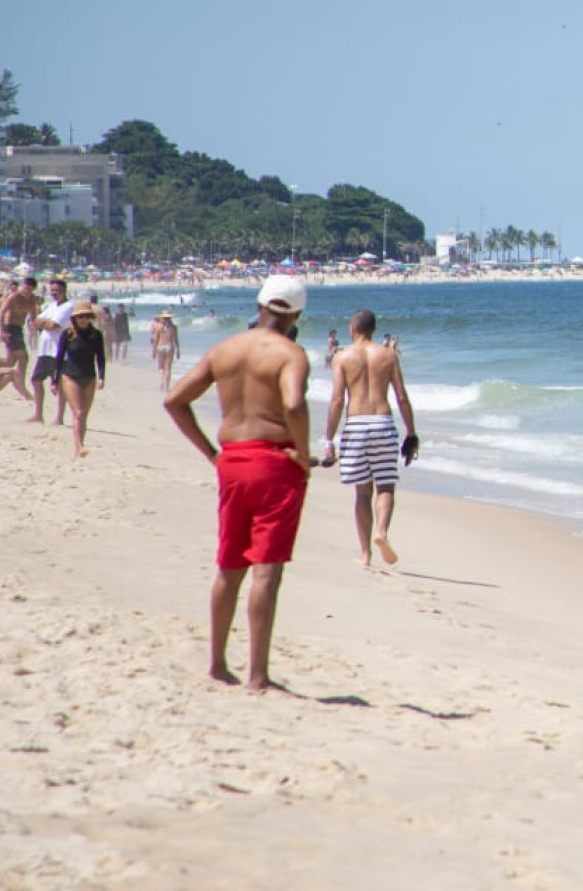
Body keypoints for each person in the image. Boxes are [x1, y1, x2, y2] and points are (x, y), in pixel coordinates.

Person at [163, 275, 313, 691]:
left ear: (259, 303)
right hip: (274, 463)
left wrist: (211, 453)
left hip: (232, 461)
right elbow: (294, 404)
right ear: (297, 314)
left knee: (229, 567)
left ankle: (216, 663)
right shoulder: (291, 354)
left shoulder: (223, 350)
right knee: (267, 572)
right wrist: (302, 455)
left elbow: (174, 400)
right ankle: (258, 675)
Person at [324, 308, 418, 568]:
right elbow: (401, 396)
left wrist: (329, 438)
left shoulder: (341, 357)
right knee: (386, 486)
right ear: (374, 330)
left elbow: (337, 400)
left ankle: (365, 554)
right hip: (383, 423)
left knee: (362, 492)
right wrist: (411, 432)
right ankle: (382, 532)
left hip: (355, 425)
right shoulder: (388, 355)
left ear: (352, 330)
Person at [55, 300, 108, 458]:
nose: (83, 319)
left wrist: (102, 377)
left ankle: (79, 446)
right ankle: (80, 446)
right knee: (77, 412)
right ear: (75, 318)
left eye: (86, 316)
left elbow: (101, 357)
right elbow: (59, 357)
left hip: (89, 377)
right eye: (80, 316)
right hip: (70, 376)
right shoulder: (68, 334)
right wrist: (54, 380)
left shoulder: (96, 335)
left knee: (84, 414)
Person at [28, 278, 74, 425]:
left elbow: (54, 325)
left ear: (64, 291)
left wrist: (43, 323)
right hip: (44, 350)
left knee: (60, 385)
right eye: (52, 290)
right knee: (36, 380)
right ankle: (38, 414)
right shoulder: (51, 306)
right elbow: (35, 322)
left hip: (59, 351)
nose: (54, 293)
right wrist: (43, 323)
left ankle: (59, 418)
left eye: (57, 290)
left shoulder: (68, 306)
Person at [0, 276, 39, 404]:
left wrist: (35, 328)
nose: (26, 291)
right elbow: (2, 312)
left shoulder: (32, 300)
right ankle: (22, 388)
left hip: (19, 329)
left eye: (29, 289)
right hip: (10, 328)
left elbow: (33, 316)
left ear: (33, 289)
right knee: (23, 358)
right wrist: (2, 331)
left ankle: (21, 387)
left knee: (9, 361)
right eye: (24, 288)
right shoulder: (14, 296)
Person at [152, 310, 181, 394]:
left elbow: (155, 340)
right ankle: (167, 387)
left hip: (160, 347)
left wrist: (153, 351)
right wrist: (178, 350)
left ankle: (161, 382)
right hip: (169, 347)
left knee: (161, 367)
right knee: (168, 368)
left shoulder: (159, 327)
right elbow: (176, 340)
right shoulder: (174, 327)